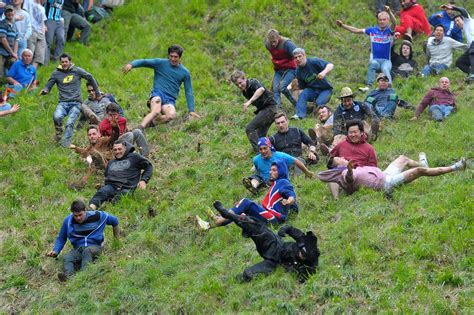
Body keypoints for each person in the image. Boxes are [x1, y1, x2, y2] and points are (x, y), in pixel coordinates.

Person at [211, 201, 319, 282]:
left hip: (274, 263)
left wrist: (296, 272)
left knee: (249, 274)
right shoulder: (305, 240)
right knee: (254, 226)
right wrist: (283, 230)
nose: (300, 255)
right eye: (301, 252)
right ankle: (228, 214)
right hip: (275, 245)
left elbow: (305, 278)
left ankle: (230, 281)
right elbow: (289, 228)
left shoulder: (312, 262)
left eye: (303, 256)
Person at [198, 160, 298, 231]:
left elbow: (291, 195)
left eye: (274, 170)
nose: (270, 172)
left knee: (246, 202)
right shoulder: (276, 184)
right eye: (270, 169)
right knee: (241, 215)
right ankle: (209, 225)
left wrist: (289, 201)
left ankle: (218, 220)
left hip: (274, 220)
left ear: (281, 171)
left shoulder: (284, 182)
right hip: (269, 217)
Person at [319, 153, 466, 199]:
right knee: (419, 172)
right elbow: (348, 179)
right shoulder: (344, 172)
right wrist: (349, 170)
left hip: (384, 174)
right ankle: (456, 167)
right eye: (341, 159)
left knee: (403, 158)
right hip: (386, 184)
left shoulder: (351, 168)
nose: (344, 157)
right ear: (339, 166)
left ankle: (424, 165)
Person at [122, 44, 200, 128]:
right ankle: (140, 127)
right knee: (156, 111)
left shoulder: (185, 72)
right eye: (171, 56)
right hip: (157, 94)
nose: (173, 59)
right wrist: (131, 64)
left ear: (180, 57)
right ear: (168, 55)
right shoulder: (160, 63)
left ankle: (151, 122)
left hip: (170, 100)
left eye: (175, 57)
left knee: (171, 115)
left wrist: (191, 110)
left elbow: (188, 91)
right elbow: (144, 62)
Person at [46, 200, 120, 281]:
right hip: (78, 248)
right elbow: (61, 238)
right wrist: (55, 251)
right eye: (75, 215)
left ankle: (84, 275)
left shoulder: (98, 216)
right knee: (67, 257)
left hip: (95, 247)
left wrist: (116, 242)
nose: (78, 218)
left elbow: (115, 221)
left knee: (87, 251)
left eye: (80, 215)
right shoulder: (68, 220)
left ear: (85, 210)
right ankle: (69, 276)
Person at [40, 53, 99, 147]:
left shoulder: (77, 71)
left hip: (75, 103)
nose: (64, 63)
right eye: (62, 62)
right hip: (62, 103)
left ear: (70, 61)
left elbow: (90, 77)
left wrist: (97, 92)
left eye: (66, 61)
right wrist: (45, 90)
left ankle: (65, 145)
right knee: (56, 116)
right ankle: (59, 133)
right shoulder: (56, 73)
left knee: (69, 122)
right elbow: (49, 85)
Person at [336, 8, 396, 91]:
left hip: (386, 61)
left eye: (384, 20)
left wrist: (389, 11)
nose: (382, 21)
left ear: (387, 21)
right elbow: (356, 30)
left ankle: (390, 88)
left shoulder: (390, 31)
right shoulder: (372, 30)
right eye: (380, 20)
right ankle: (369, 86)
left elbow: (394, 22)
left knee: (385, 69)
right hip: (376, 60)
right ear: (378, 20)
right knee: (372, 63)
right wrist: (342, 25)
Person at [89, 140, 153, 209]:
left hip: (127, 188)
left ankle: (107, 210)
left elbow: (149, 166)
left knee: (120, 199)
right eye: (115, 150)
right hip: (111, 186)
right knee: (102, 192)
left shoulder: (134, 157)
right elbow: (106, 176)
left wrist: (143, 180)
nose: (117, 151)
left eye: (120, 149)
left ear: (125, 148)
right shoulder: (111, 162)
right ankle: (90, 210)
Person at [242, 137, 314, 194]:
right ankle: (253, 187)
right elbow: (258, 170)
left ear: (269, 147)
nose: (263, 151)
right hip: (265, 180)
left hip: (278, 180)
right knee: (255, 177)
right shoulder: (256, 159)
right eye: (261, 149)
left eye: (265, 148)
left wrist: (307, 172)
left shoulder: (280, 156)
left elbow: (296, 160)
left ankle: (262, 187)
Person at [230, 70, 278, 152]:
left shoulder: (253, 82)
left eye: (240, 82)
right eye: (237, 84)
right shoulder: (244, 92)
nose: (240, 85)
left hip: (270, 108)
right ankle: (270, 150)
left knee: (249, 128)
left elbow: (261, 89)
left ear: (245, 78)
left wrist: (249, 102)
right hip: (264, 110)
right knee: (259, 137)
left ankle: (259, 152)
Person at [68, 123, 119, 188]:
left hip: (107, 167)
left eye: (94, 134)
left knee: (93, 154)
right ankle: (80, 185)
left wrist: (115, 128)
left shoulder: (104, 140)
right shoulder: (89, 148)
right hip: (95, 170)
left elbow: (114, 138)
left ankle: (82, 184)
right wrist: (75, 147)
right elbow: (84, 151)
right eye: (89, 135)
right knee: (90, 159)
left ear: (99, 134)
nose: (91, 136)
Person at [292, 47, 334, 120]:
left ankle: (320, 112)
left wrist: (323, 72)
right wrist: (299, 101)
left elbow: (331, 65)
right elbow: (302, 89)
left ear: (304, 55)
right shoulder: (298, 71)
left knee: (319, 103)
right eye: (295, 58)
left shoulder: (313, 61)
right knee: (303, 94)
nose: (298, 59)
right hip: (312, 91)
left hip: (325, 90)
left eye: (299, 56)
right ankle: (299, 115)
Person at [265, 29, 297, 107]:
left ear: (278, 38)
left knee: (282, 87)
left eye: (274, 41)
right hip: (278, 70)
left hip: (291, 69)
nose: (273, 44)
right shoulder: (267, 44)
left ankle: (296, 104)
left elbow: (298, 56)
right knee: (275, 89)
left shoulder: (287, 44)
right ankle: (278, 109)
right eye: (271, 42)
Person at [451, 4, 474, 82]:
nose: (456, 23)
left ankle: (472, 75)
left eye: (458, 20)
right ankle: (471, 74)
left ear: (463, 19)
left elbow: (463, 10)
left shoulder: (468, 21)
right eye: (455, 22)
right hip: (471, 48)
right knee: (459, 62)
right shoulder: (465, 30)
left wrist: (453, 7)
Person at [27, 0, 47, 68]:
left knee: (39, 56)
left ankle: (32, 74)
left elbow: (42, 22)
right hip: (32, 30)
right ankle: (25, 74)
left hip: (41, 33)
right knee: (29, 54)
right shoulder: (29, 1)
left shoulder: (42, 8)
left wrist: (43, 29)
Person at [0, 5, 18, 79]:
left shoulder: (15, 25)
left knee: (14, 72)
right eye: (7, 11)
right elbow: (2, 40)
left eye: (11, 11)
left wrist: (15, 54)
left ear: (14, 12)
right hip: (1, 52)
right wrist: (12, 53)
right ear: (4, 13)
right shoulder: (2, 23)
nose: (10, 13)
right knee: (0, 73)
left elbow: (16, 40)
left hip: (10, 54)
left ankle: (12, 88)